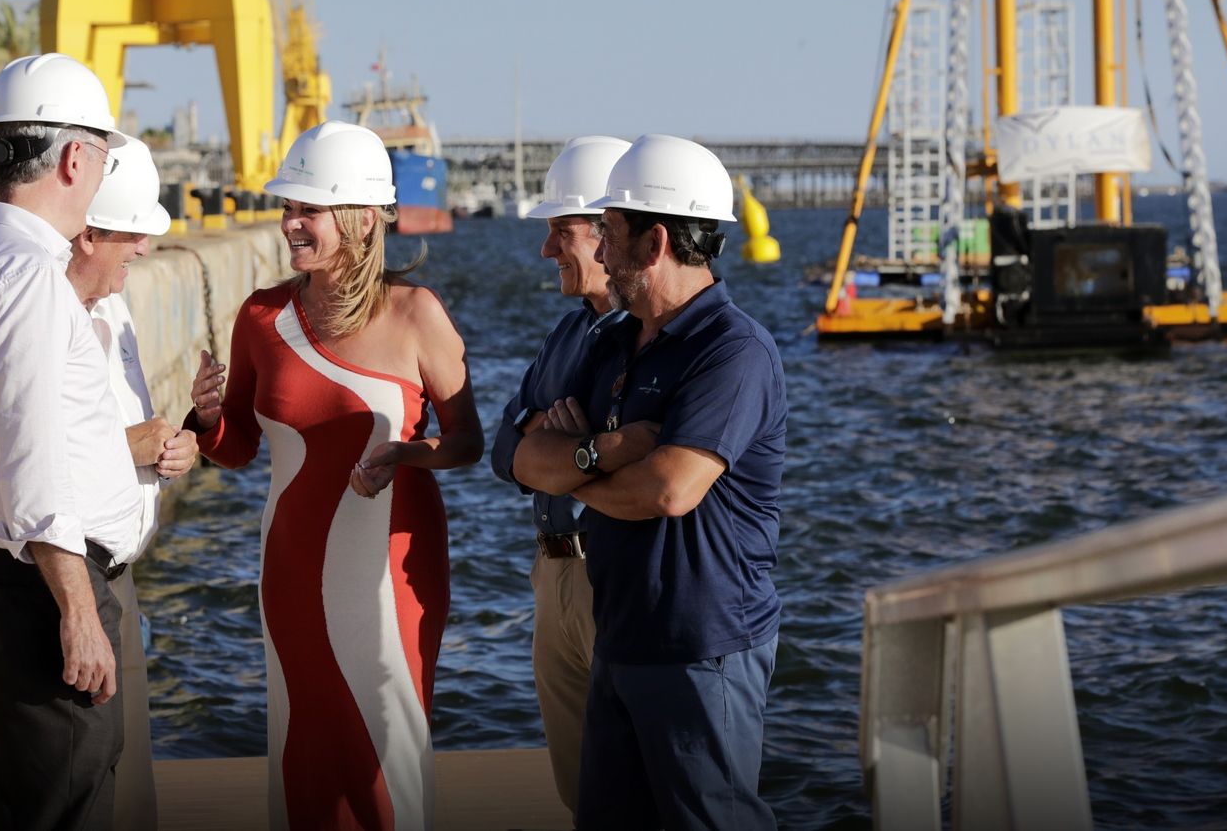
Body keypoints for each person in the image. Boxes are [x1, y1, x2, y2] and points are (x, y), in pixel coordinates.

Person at [183, 120, 484, 830]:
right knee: (305, 751)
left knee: (385, 757)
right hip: (288, 568)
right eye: (287, 208)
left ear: (356, 216)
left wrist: (408, 455)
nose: (289, 224)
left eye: (305, 209)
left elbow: (468, 442)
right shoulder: (261, 316)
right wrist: (202, 420)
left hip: (390, 570)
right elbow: (237, 448)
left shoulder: (417, 315)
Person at [0, 53, 157, 830]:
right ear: (77, 158)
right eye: (105, 156)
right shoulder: (32, 279)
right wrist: (78, 612)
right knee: (61, 806)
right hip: (34, 596)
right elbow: (35, 460)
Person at [513, 134, 787, 830]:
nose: (601, 252)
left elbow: (669, 490)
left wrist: (573, 466)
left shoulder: (733, 351)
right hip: (622, 632)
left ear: (654, 240)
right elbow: (521, 457)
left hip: (701, 645)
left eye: (607, 232)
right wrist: (601, 455)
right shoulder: (609, 342)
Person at [488, 135, 630, 818]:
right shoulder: (569, 334)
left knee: (638, 787)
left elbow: (645, 466)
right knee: (581, 791)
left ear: (611, 232)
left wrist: (551, 448)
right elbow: (501, 448)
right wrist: (561, 440)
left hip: (614, 573)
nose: (548, 250)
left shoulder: (654, 342)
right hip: (553, 578)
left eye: (560, 231)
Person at [64, 136, 200, 831]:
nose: (146, 249)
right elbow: (26, 457)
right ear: (88, 232)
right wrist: (130, 447)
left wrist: (173, 443)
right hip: (68, 580)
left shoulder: (111, 305)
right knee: (81, 787)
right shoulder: (43, 313)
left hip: (118, 578)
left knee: (129, 782)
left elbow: (119, 426)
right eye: (134, 234)